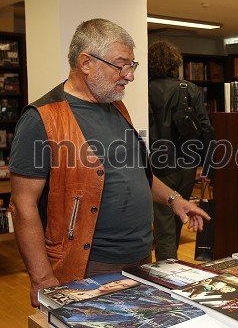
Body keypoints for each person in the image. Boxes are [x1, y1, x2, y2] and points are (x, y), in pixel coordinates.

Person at [9, 18, 210, 308]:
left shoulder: (116, 107)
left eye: (132, 65)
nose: (129, 76)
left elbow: (137, 174)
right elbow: (22, 205)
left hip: (141, 258)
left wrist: (175, 200)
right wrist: (41, 280)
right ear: (86, 62)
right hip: (87, 267)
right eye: (121, 65)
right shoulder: (42, 119)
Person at [148, 41, 215, 261]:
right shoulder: (189, 89)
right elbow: (205, 129)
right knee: (177, 217)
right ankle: (170, 268)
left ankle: (167, 273)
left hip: (156, 164)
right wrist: (208, 165)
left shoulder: (143, 91)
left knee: (164, 221)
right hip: (186, 164)